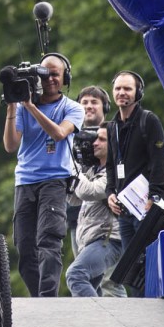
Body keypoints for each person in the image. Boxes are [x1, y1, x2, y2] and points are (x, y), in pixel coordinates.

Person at [3, 52, 84, 297]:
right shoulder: (23, 107)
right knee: (25, 247)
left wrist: (29, 106)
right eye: (45, 75)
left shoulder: (72, 108)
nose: (50, 79)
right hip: (25, 181)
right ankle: (37, 298)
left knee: (49, 241)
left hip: (54, 181)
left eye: (56, 75)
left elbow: (59, 134)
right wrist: (12, 106)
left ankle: (48, 300)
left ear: (65, 77)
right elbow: (10, 145)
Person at [105, 70, 164, 297]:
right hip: (124, 209)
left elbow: (158, 161)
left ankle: (155, 308)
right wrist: (110, 192)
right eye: (118, 89)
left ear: (138, 92)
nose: (122, 93)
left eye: (127, 89)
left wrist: (155, 196)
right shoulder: (112, 126)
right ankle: (141, 313)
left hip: (146, 207)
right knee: (130, 267)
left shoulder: (148, 120)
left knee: (149, 263)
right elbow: (111, 165)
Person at [65, 123, 126, 297]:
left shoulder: (115, 172)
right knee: (92, 292)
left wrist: (70, 163)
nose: (94, 143)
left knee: (75, 276)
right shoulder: (94, 169)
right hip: (93, 241)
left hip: (107, 241)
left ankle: (99, 321)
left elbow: (88, 191)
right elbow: (74, 199)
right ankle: (98, 322)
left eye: (101, 139)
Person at [67, 87, 110, 248]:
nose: (89, 106)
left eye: (94, 102)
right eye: (84, 102)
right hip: (76, 216)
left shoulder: (113, 135)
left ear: (105, 107)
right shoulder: (67, 135)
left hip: (106, 222)